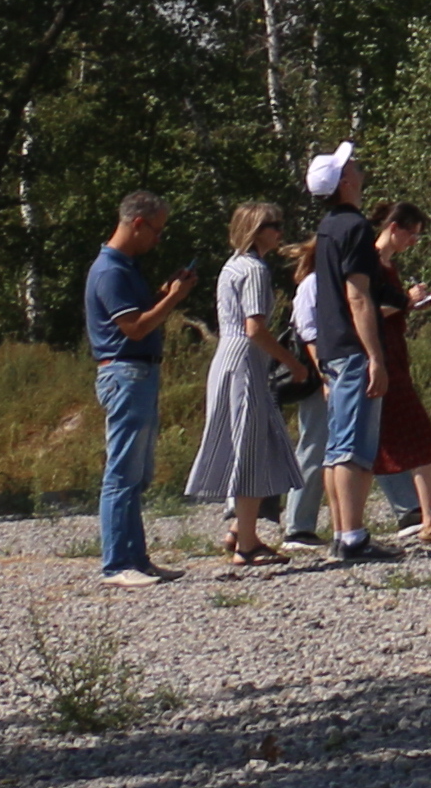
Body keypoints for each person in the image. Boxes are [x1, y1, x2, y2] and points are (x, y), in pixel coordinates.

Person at [81, 192, 196, 583]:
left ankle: (137, 558)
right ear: (138, 224)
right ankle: (117, 564)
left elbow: (140, 314)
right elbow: (134, 327)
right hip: (125, 374)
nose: (158, 240)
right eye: (157, 231)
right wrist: (174, 301)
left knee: (136, 473)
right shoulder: (111, 270)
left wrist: (163, 293)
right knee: (122, 472)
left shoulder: (125, 267)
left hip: (139, 374)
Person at [185, 199, 305, 566]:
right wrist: (292, 363)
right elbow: (255, 327)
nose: (280, 232)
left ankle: (240, 529)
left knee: (247, 442)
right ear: (256, 228)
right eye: (273, 224)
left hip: (229, 358)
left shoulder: (232, 266)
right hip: (244, 361)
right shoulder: (253, 269)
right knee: (249, 446)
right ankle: (248, 543)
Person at [296, 148, 386, 562]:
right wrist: (375, 357)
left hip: (331, 345)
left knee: (336, 446)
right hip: (352, 347)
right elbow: (358, 294)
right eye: (350, 166)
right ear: (343, 182)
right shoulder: (355, 227)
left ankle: (341, 530)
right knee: (352, 446)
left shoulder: (328, 226)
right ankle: (352, 536)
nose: (357, 167)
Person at [369, 202, 431, 538]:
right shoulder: (372, 264)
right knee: (414, 434)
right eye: (412, 234)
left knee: (393, 439)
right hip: (381, 358)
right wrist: (406, 302)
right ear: (395, 228)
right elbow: (364, 311)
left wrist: (410, 305)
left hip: (394, 354)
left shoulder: (385, 265)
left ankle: (423, 513)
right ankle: (426, 516)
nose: (414, 242)